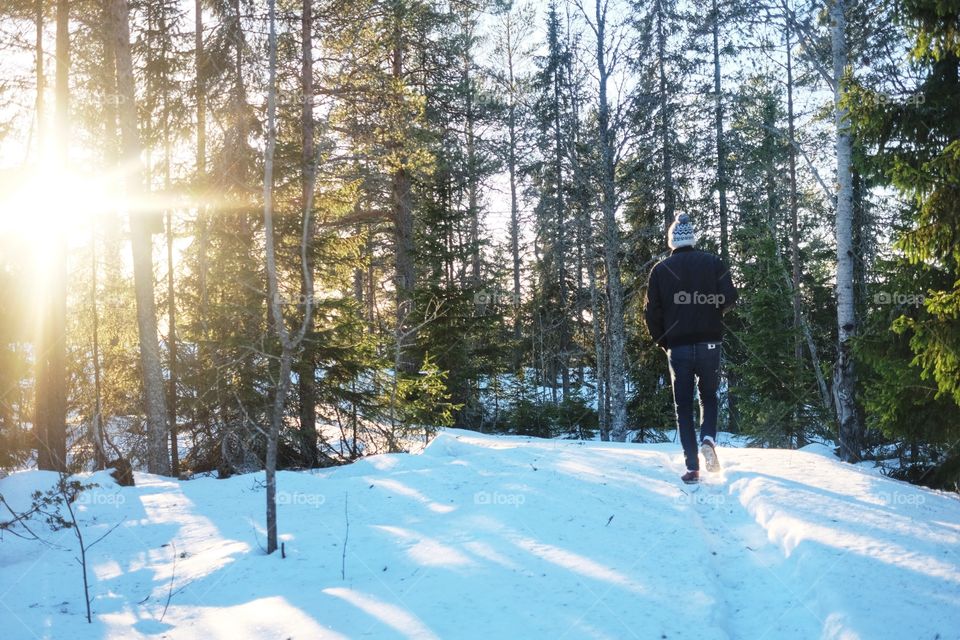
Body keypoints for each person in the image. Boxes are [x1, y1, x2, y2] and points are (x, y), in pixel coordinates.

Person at [644, 213, 737, 484]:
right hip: (710, 342)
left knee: (683, 406)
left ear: (672, 241)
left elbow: (652, 312)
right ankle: (708, 437)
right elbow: (730, 297)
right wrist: (713, 311)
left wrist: (663, 341)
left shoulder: (660, 270)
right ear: (692, 238)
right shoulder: (713, 262)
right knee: (709, 396)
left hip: (679, 346)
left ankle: (693, 467)